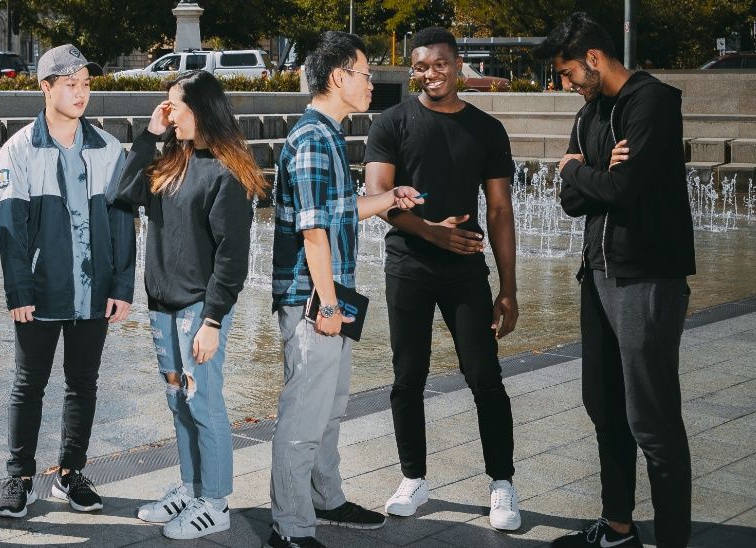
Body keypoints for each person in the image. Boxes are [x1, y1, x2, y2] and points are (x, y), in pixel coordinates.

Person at [535, 12, 695, 548]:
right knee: (604, 407)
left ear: (594, 59)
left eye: (567, 73)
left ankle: (673, 539)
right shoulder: (592, 112)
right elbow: (574, 201)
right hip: (597, 273)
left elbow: (623, 189)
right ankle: (619, 529)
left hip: (646, 276)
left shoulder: (653, 101)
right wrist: (593, 171)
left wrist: (577, 168)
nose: (565, 85)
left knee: (652, 418)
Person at [266, 31, 424, 548]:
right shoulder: (312, 138)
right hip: (314, 301)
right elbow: (313, 233)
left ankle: (325, 499)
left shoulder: (329, 134)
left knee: (329, 409)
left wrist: (388, 200)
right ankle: (290, 528)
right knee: (302, 419)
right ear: (338, 77)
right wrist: (329, 304)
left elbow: (336, 211)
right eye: (365, 72)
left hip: (331, 298)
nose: (372, 82)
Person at [363, 26, 522, 530]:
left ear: (457, 67)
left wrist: (509, 287)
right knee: (408, 378)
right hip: (408, 266)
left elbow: (499, 210)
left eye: (438, 64)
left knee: (485, 376)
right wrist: (431, 233)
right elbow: (379, 194)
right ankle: (413, 478)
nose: (429, 73)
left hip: (466, 271)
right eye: (420, 66)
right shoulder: (391, 123)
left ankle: (501, 483)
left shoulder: (486, 130)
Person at [114, 70, 264, 540]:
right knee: (178, 401)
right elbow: (121, 192)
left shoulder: (226, 172)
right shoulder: (171, 162)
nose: (168, 112)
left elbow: (233, 258)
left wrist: (214, 320)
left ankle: (215, 501)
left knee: (204, 402)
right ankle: (190, 485)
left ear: (200, 109)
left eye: (174, 106)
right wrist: (151, 133)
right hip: (163, 305)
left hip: (201, 309)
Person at [0, 43, 136, 519]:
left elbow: (122, 224)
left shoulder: (109, 149)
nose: (81, 93)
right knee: (28, 384)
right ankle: (20, 476)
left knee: (83, 383)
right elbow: (9, 227)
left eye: (86, 84)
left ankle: (70, 474)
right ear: (45, 87)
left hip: (94, 292)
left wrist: (122, 285)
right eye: (70, 84)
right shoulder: (19, 150)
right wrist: (19, 289)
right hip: (41, 290)